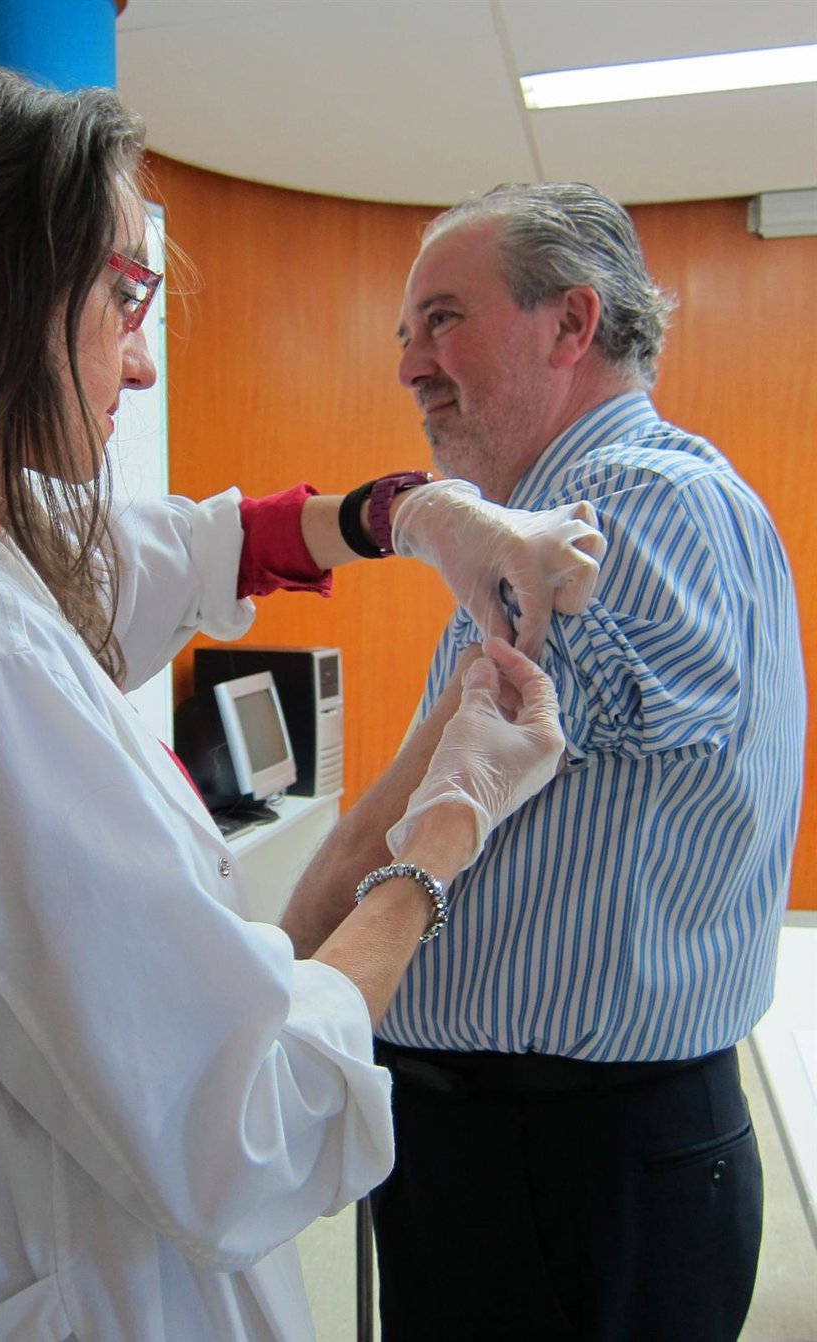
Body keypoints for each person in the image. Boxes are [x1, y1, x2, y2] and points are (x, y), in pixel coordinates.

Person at [0, 70, 600, 1342]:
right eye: (123, 292)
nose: (143, 355)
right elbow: (253, 1125)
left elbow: (177, 549)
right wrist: (448, 822)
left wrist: (415, 514)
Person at [282, 181, 806, 1342]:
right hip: (551, 1156)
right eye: (406, 331)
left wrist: (267, 995)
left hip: (560, 1168)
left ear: (572, 323)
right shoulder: (630, 502)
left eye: (444, 320)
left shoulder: (619, 511)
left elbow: (394, 821)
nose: (410, 364)